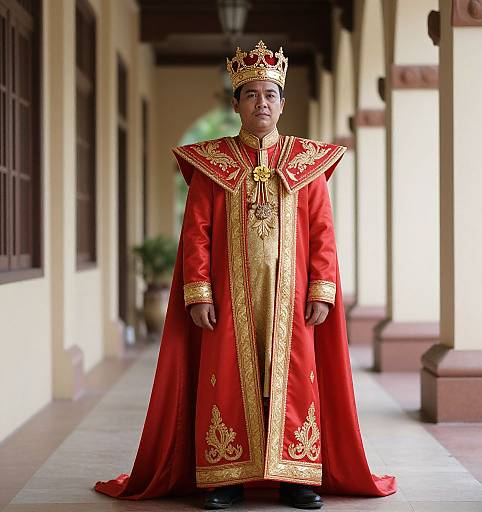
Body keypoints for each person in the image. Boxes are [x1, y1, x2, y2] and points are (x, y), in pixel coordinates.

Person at [94, 41, 396, 510]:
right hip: (228, 296)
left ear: (283, 103)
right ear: (236, 103)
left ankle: (296, 478)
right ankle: (225, 479)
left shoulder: (306, 164)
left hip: (291, 297)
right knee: (226, 378)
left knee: (294, 377)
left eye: (270, 94)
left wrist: (322, 288)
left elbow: (323, 233)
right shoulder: (211, 165)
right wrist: (198, 292)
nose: (262, 103)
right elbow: (195, 233)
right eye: (251, 94)